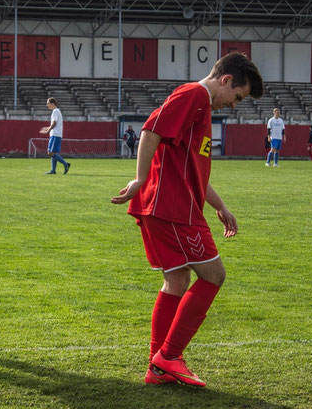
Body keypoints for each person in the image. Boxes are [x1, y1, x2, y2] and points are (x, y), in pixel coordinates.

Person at [111, 52, 264, 387]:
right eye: (237, 97)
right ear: (226, 81)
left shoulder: (201, 108)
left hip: (170, 207)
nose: (234, 105)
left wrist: (220, 207)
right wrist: (138, 179)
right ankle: (169, 356)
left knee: (177, 282)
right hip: (173, 209)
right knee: (213, 276)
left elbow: (193, 171)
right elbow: (150, 130)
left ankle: (157, 366)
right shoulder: (194, 95)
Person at [39, 97, 70, 174]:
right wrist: (47, 128)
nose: (47, 105)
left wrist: (48, 130)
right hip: (55, 134)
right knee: (52, 152)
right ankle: (53, 170)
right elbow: (55, 124)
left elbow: (54, 123)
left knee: (50, 153)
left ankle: (65, 164)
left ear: (52, 104)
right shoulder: (56, 111)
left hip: (55, 134)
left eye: (48, 104)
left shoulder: (55, 111)